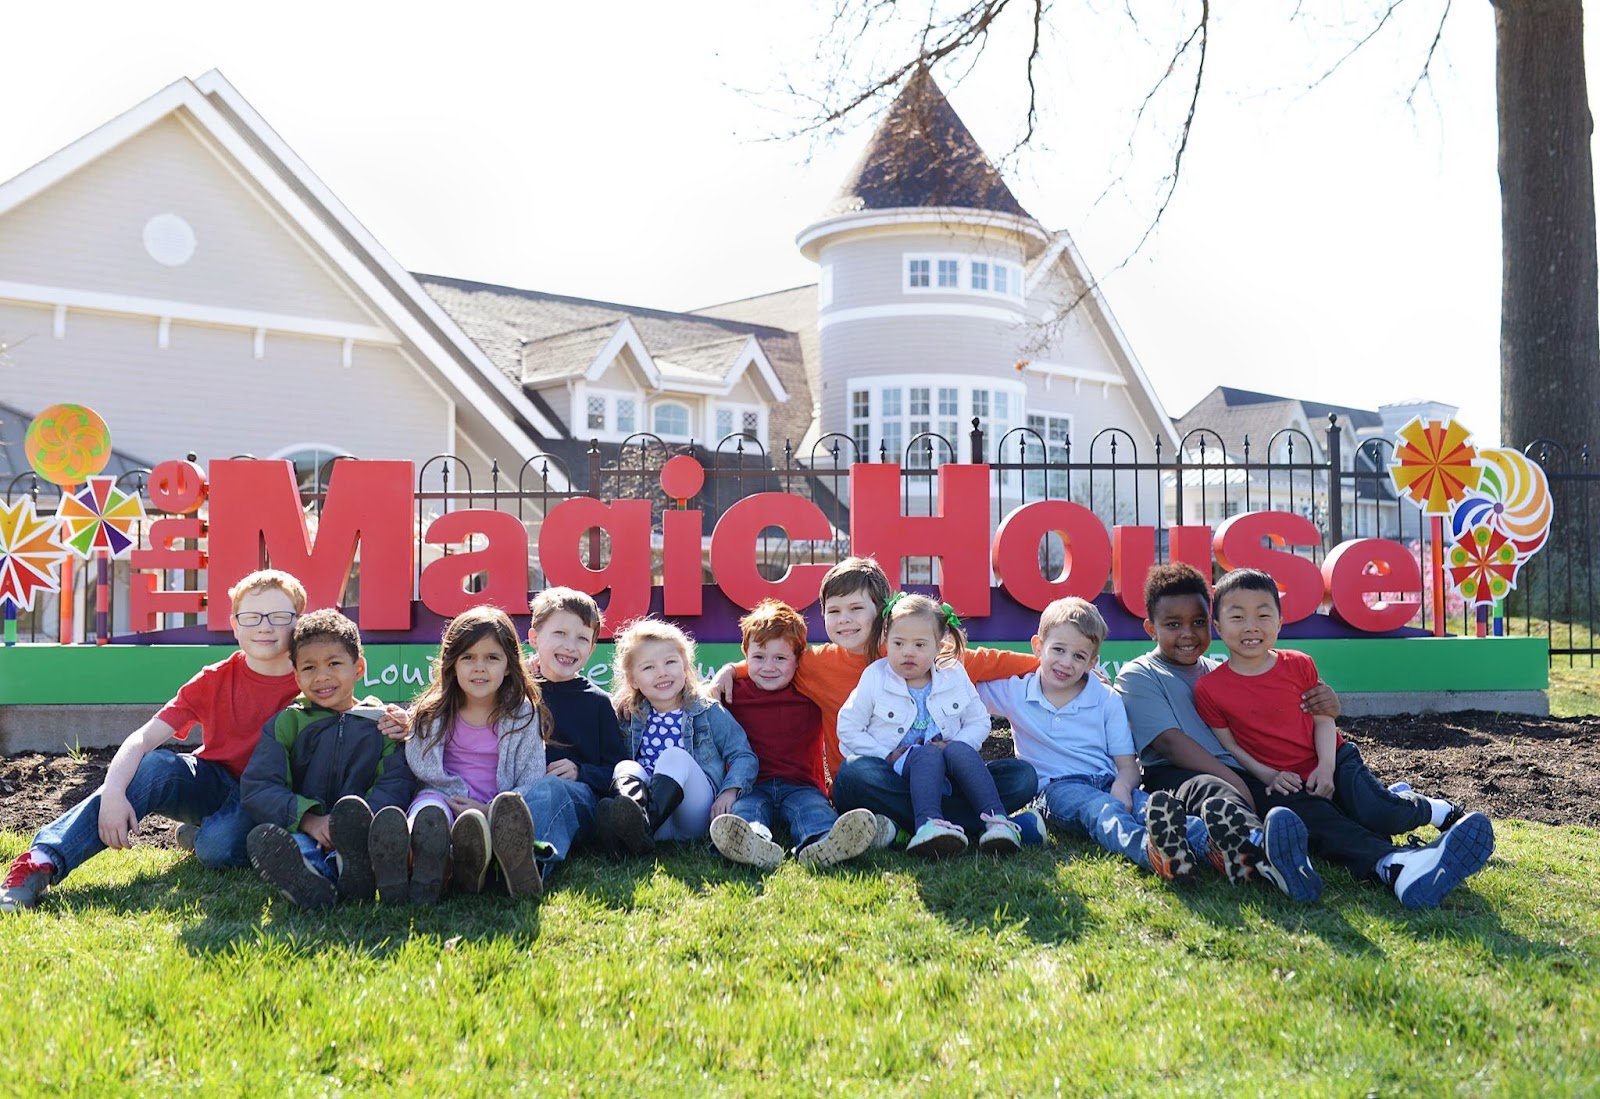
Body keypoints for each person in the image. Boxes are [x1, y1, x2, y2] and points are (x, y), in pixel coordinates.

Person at [2, 570, 308, 912]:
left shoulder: (312, 681)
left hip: (269, 796)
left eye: (279, 616)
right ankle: (40, 861)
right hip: (213, 783)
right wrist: (113, 793)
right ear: (235, 625)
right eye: (252, 617)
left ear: (299, 623)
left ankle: (205, 835)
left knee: (217, 848)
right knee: (156, 766)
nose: (264, 627)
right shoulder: (215, 679)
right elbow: (142, 739)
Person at [1195, 568, 1494, 909]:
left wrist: (1326, 767)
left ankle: (1438, 811)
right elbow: (1231, 745)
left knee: (1378, 811)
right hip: (1284, 781)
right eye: (1237, 617)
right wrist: (1270, 775)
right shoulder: (1210, 689)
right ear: (1218, 626)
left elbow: (1323, 720)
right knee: (1325, 827)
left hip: (1334, 759)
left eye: (1263, 615)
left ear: (1279, 622)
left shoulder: (1298, 665)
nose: (1251, 626)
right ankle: (1398, 865)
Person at [711, 556, 1041, 842]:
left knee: (1022, 777)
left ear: (883, 612)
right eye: (834, 610)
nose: (844, 619)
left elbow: (989, 660)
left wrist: (1047, 664)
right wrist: (731, 670)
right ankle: (976, 822)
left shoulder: (911, 650)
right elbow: (774, 663)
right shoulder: (815, 664)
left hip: (939, 779)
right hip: (874, 784)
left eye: (856, 608)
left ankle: (911, 827)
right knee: (854, 771)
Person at [1114, 563, 1327, 903]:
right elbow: (1170, 743)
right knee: (1213, 790)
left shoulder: (1217, 672)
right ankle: (1262, 850)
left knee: (1296, 797)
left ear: (1213, 624)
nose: (1188, 633)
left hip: (1239, 770)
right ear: (1151, 628)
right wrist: (1236, 780)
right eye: (1173, 625)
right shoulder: (1139, 674)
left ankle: (1241, 849)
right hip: (1177, 774)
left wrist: (1324, 704)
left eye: (1198, 622)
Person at [977, 597, 1213, 881]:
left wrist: (1122, 787)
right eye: (1058, 650)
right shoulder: (1015, 691)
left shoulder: (1106, 699)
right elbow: (961, 681)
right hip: (1056, 789)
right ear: (1038, 646)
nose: (1066, 663)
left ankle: (1219, 845)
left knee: (1146, 806)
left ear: (1092, 662)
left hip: (1107, 780)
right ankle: (1152, 851)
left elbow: (1127, 765)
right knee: (1101, 811)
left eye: (1079, 656)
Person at [241, 609, 414, 909]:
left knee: (364, 847)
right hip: (306, 828)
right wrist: (309, 820)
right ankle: (314, 881)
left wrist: (358, 824)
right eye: (309, 668)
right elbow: (260, 786)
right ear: (296, 675)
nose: (322, 676)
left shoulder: (382, 723)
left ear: (358, 668)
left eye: (334, 664)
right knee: (293, 847)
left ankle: (349, 868)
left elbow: (395, 783)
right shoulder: (287, 723)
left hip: (360, 832)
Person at [374, 606, 546, 905]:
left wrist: (489, 809)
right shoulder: (433, 711)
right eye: (468, 658)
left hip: (491, 809)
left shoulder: (522, 715)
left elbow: (532, 778)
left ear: (509, 666)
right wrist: (403, 724)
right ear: (452, 664)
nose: (479, 668)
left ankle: (458, 861)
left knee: (478, 827)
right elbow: (414, 735)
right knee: (428, 811)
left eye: (491, 658)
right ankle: (416, 854)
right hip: (442, 797)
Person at [836, 593, 1031, 858]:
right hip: (896, 778)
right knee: (854, 772)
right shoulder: (875, 677)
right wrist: (886, 755)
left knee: (1022, 776)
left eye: (920, 644)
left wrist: (953, 746)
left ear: (938, 647)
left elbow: (978, 721)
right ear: (886, 640)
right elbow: (848, 727)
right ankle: (943, 823)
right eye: (898, 643)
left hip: (950, 779)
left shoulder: (954, 674)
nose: (908, 652)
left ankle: (992, 822)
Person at [708, 599, 880, 869]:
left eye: (780, 658)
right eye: (759, 657)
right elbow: (696, 701)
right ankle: (752, 841)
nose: (769, 667)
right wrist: (727, 671)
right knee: (745, 812)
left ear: (798, 660)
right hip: (752, 785)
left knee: (814, 811)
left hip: (802, 785)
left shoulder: (809, 689)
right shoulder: (732, 692)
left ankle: (822, 842)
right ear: (746, 655)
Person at [597, 618, 758, 854]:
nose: (662, 673)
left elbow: (743, 755)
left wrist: (730, 790)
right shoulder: (628, 714)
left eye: (670, 662)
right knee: (625, 766)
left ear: (684, 667)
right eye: (648, 667)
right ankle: (638, 829)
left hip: (692, 815)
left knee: (674, 757)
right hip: (655, 819)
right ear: (633, 680)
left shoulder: (707, 711)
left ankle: (633, 832)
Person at [515, 587, 628, 880]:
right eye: (560, 633)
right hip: (521, 791)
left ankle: (532, 863)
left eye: (582, 638)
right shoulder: (517, 692)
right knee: (517, 798)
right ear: (534, 638)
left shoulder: (598, 702)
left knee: (552, 790)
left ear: (592, 649)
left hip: (579, 800)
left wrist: (581, 772)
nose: (570, 646)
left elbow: (618, 771)